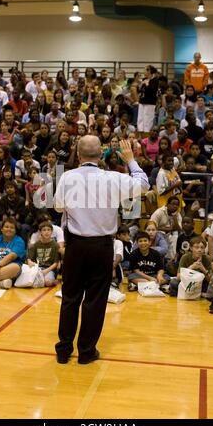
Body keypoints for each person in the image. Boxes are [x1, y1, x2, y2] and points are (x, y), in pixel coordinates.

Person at [54, 137, 149, 364]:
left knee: (70, 297)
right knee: (95, 299)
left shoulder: (67, 177)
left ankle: (64, 349)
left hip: (76, 245)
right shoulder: (113, 177)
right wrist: (131, 160)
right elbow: (144, 184)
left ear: (78, 154)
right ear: (101, 155)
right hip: (102, 246)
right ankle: (86, 352)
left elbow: (58, 206)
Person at [27, 222, 59, 287]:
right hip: (37, 269)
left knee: (47, 282)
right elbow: (29, 259)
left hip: (49, 270)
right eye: (44, 230)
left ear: (52, 232)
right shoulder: (35, 245)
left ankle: (53, 282)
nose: (46, 232)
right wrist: (29, 262)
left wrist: (45, 271)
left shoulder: (55, 245)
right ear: (40, 232)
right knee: (29, 281)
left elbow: (55, 263)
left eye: (48, 230)